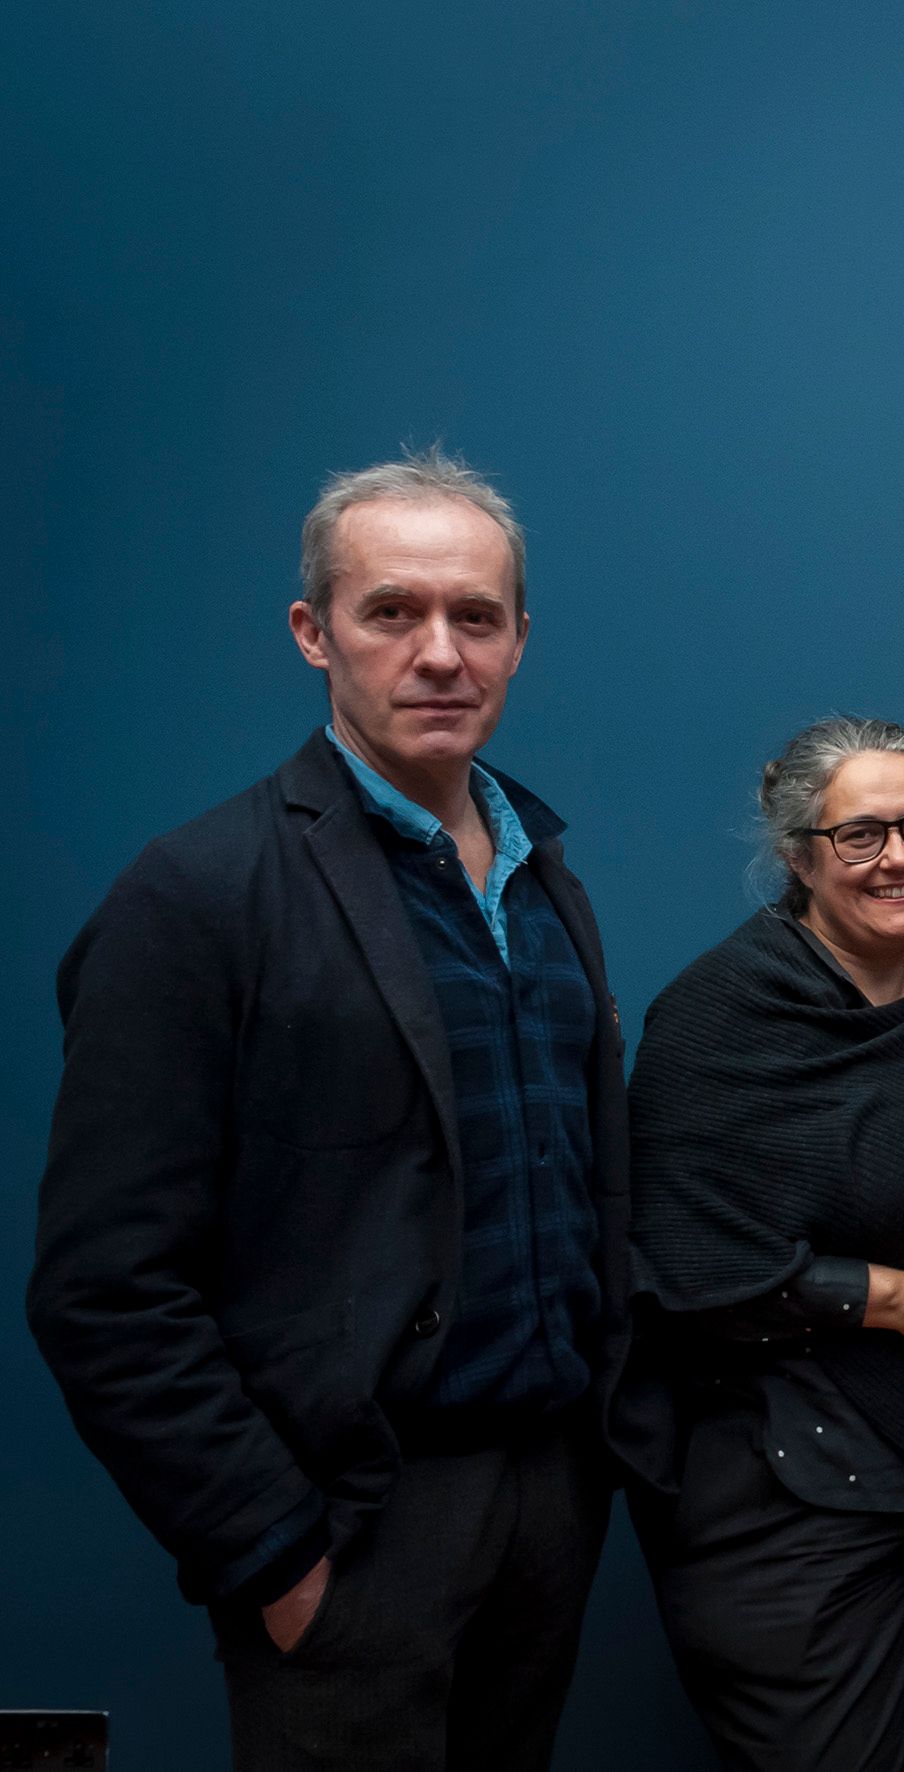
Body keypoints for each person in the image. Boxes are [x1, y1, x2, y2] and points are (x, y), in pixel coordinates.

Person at [26, 449, 665, 1769]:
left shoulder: (546, 884)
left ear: (519, 639)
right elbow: (102, 1286)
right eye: (393, 612)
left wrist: (600, 1447)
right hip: (353, 1522)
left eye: (474, 617)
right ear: (315, 633)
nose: (440, 653)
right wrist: (269, 1546)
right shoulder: (194, 897)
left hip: (547, 1497)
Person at [628, 717, 904, 1772]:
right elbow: (671, 1265)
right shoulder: (716, 1016)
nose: (899, 855)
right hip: (793, 1516)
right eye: (860, 834)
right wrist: (890, 1294)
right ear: (797, 854)